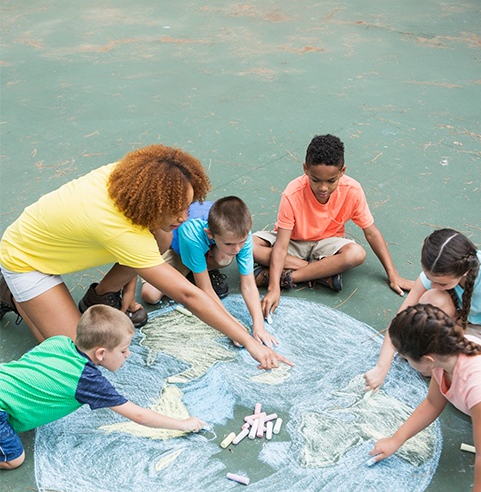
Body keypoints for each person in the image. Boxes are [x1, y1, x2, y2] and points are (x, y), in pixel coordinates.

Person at [0, 144, 292, 370]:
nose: (183, 216)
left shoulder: (132, 182)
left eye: (188, 206)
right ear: (152, 201)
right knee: (82, 359)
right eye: (176, 209)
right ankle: (9, 293)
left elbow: (138, 249)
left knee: (163, 236)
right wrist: (248, 340)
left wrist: (128, 289)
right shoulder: (117, 228)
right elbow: (189, 295)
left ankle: (101, 297)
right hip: (27, 261)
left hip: (59, 243)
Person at [0, 305, 207, 470]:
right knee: (14, 459)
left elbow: (28, 366)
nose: (128, 355)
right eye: (124, 351)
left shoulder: (59, 342)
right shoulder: (87, 380)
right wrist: (183, 424)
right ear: (100, 354)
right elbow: (139, 415)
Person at [253, 134, 413, 318]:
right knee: (248, 245)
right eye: (315, 180)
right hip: (293, 242)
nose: (323, 188)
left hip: (327, 245)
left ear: (342, 171)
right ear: (305, 169)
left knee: (356, 254)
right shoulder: (293, 192)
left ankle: (290, 276)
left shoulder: (352, 190)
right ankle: (322, 273)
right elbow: (281, 245)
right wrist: (273, 289)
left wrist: (393, 275)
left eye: (331, 181)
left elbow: (371, 233)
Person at [369, 304, 481, 492]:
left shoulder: (478, 386)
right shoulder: (446, 355)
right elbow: (432, 403)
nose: (401, 359)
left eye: (405, 357)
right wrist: (395, 440)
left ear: (428, 360)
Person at [364, 228, 481, 392]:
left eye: (442, 283)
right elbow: (400, 319)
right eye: (429, 279)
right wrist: (381, 368)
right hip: (464, 320)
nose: (433, 286)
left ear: (464, 272)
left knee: (439, 366)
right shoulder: (440, 267)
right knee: (431, 299)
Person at [142, 196, 278, 347]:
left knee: (224, 256)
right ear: (210, 234)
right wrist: (236, 329)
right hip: (177, 248)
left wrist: (259, 327)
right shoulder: (192, 233)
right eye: (230, 243)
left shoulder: (241, 233)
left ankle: (201, 268)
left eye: (242, 242)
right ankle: (196, 271)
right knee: (150, 295)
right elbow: (205, 289)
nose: (238, 248)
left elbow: (249, 285)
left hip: (207, 249)